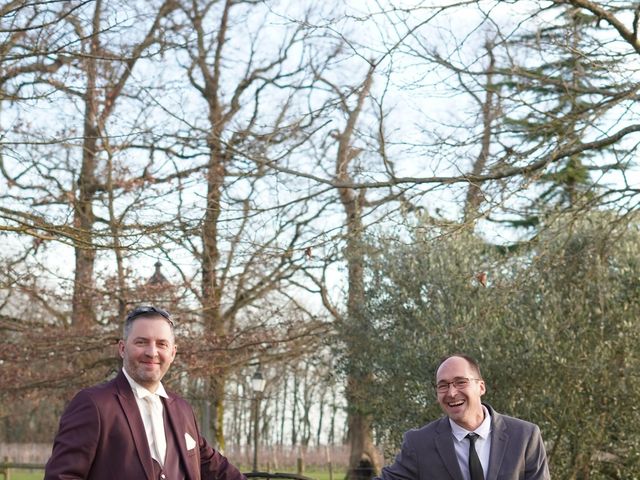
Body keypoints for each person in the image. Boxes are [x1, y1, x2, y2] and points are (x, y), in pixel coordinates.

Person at [45, 305, 246, 480]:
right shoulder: (93, 404)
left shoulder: (182, 409)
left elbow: (213, 467)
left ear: (173, 353)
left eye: (161, 344)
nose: (152, 352)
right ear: (122, 348)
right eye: (141, 342)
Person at [377, 354, 550, 480]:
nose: (451, 393)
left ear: (481, 387)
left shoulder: (525, 436)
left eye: (460, 382)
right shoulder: (419, 443)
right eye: (443, 386)